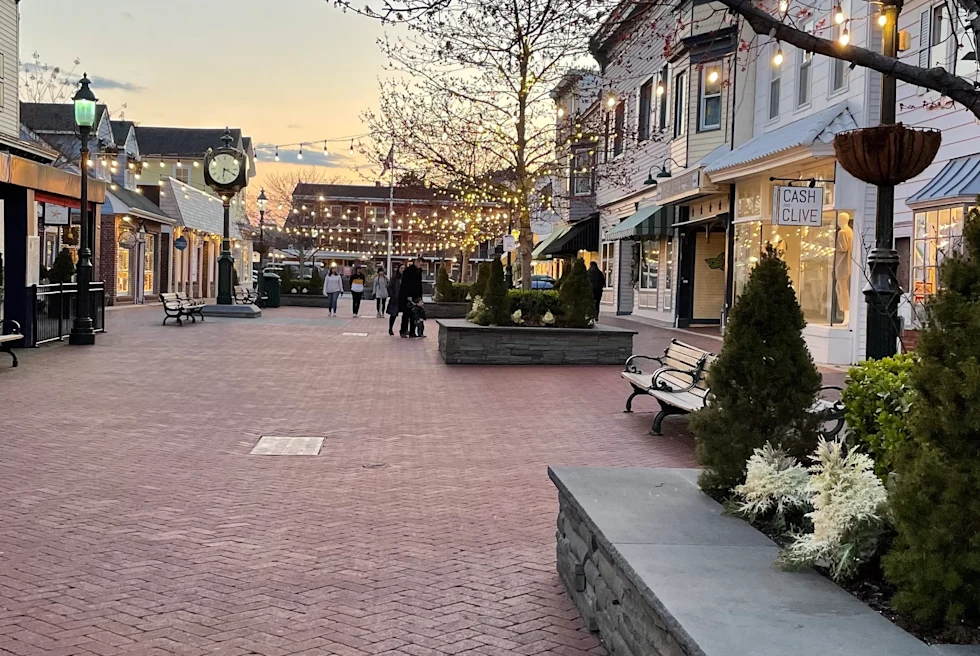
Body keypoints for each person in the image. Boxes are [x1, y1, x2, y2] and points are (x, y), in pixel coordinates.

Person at [399, 256, 425, 338]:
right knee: (406, 314)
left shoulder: (419, 272)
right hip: (407, 296)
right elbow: (405, 284)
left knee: (415, 315)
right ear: (416, 262)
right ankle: (403, 331)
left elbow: (419, 285)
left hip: (416, 296)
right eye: (420, 264)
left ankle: (412, 332)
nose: (421, 266)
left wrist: (420, 298)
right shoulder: (408, 271)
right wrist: (407, 295)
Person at [386, 264, 405, 335]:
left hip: (403, 298)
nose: (402, 270)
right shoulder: (395, 277)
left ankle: (403, 329)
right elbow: (389, 287)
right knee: (393, 314)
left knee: (405, 314)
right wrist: (392, 295)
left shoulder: (406, 277)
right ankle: (390, 328)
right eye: (401, 268)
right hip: (395, 299)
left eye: (404, 268)